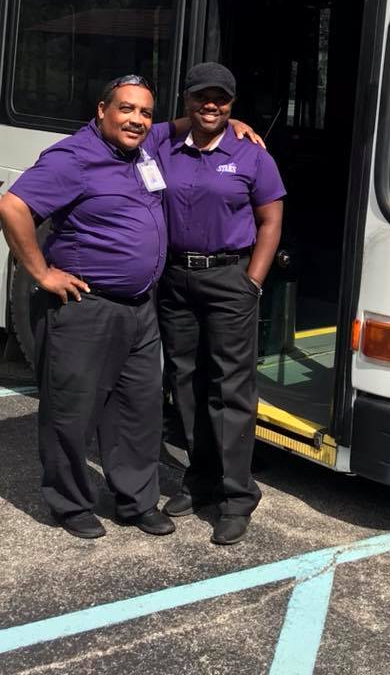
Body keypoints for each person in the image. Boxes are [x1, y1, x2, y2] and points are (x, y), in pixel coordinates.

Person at [0, 75, 259, 540]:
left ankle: (136, 501)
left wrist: (224, 117)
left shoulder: (141, 145)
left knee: (137, 411)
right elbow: (13, 206)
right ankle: (70, 502)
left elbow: (187, 121)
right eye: (126, 109)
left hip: (141, 308)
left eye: (144, 111)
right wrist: (41, 273)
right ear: (102, 110)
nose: (137, 119)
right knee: (72, 410)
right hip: (86, 305)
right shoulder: (74, 158)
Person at [157, 62, 285, 545]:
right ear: (186, 100)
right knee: (186, 381)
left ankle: (236, 496)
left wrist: (252, 281)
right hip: (175, 279)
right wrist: (185, 125)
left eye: (221, 100)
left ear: (232, 103)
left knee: (230, 387)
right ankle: (201, 479)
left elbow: (270, 222)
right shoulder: (163, 146)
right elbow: (124, 124)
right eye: (201, 98)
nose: (211, 106)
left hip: (230, 278)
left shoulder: (252, 155)